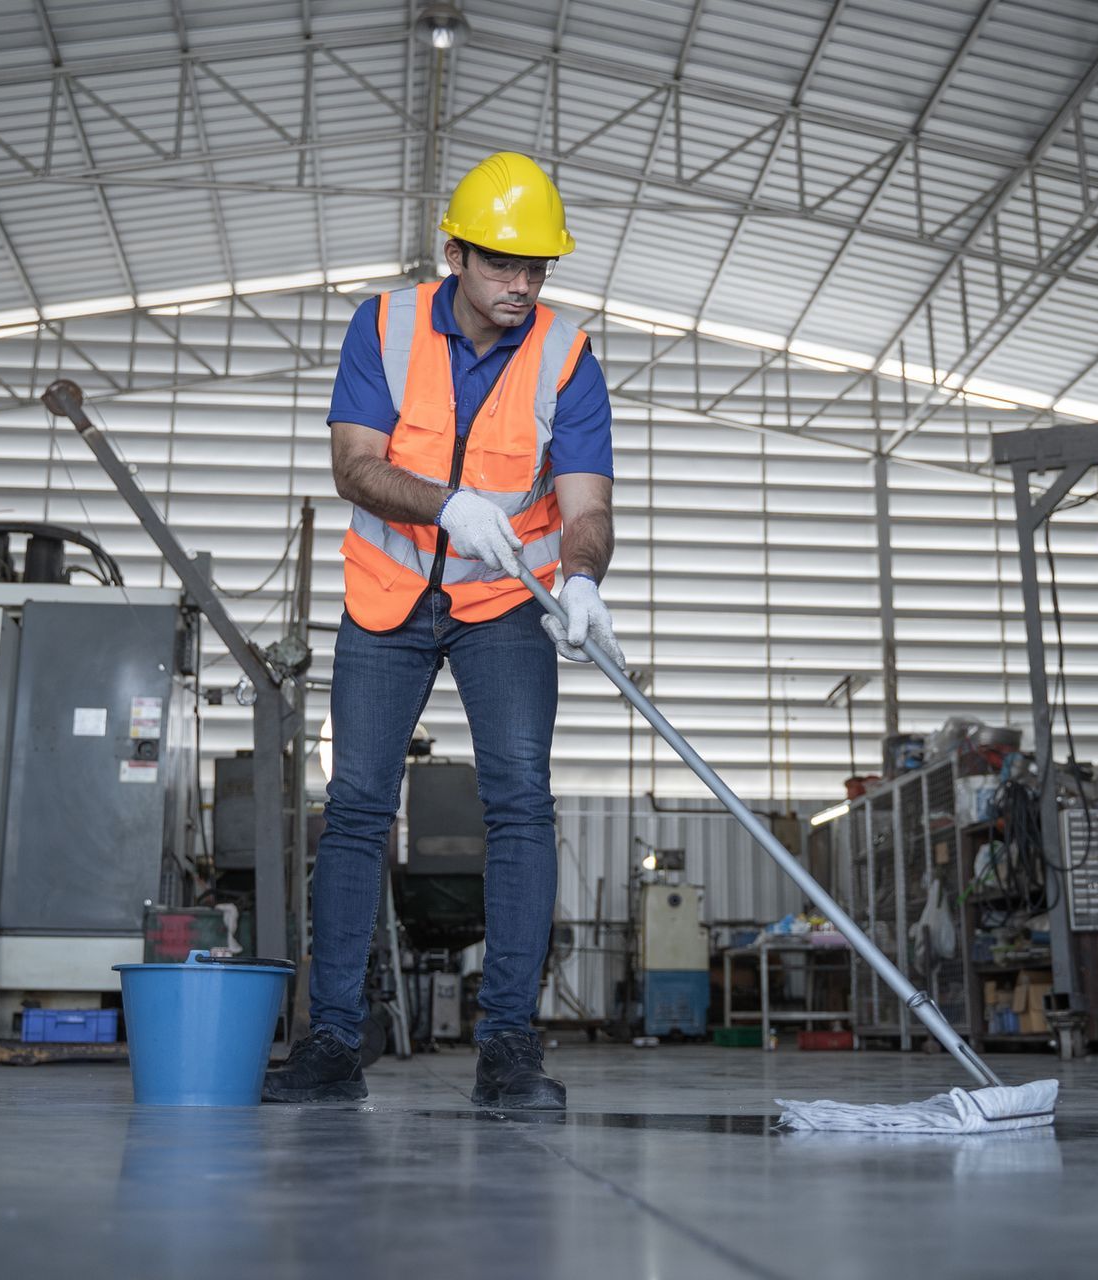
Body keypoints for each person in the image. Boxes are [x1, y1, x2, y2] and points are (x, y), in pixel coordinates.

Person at [263, 151, 621, 1107]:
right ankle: (334, 1043)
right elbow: (355, 466)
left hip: (506, 606)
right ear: (454, 254)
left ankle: (508, 1048)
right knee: (355, 813)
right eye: (503, 262)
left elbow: (586, 505)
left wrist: (582, 580)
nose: (523, 284)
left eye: (537, 266)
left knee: (522, 806)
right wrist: (449, 504)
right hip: (387, 599)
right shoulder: (381, 326)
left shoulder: (566, 354)